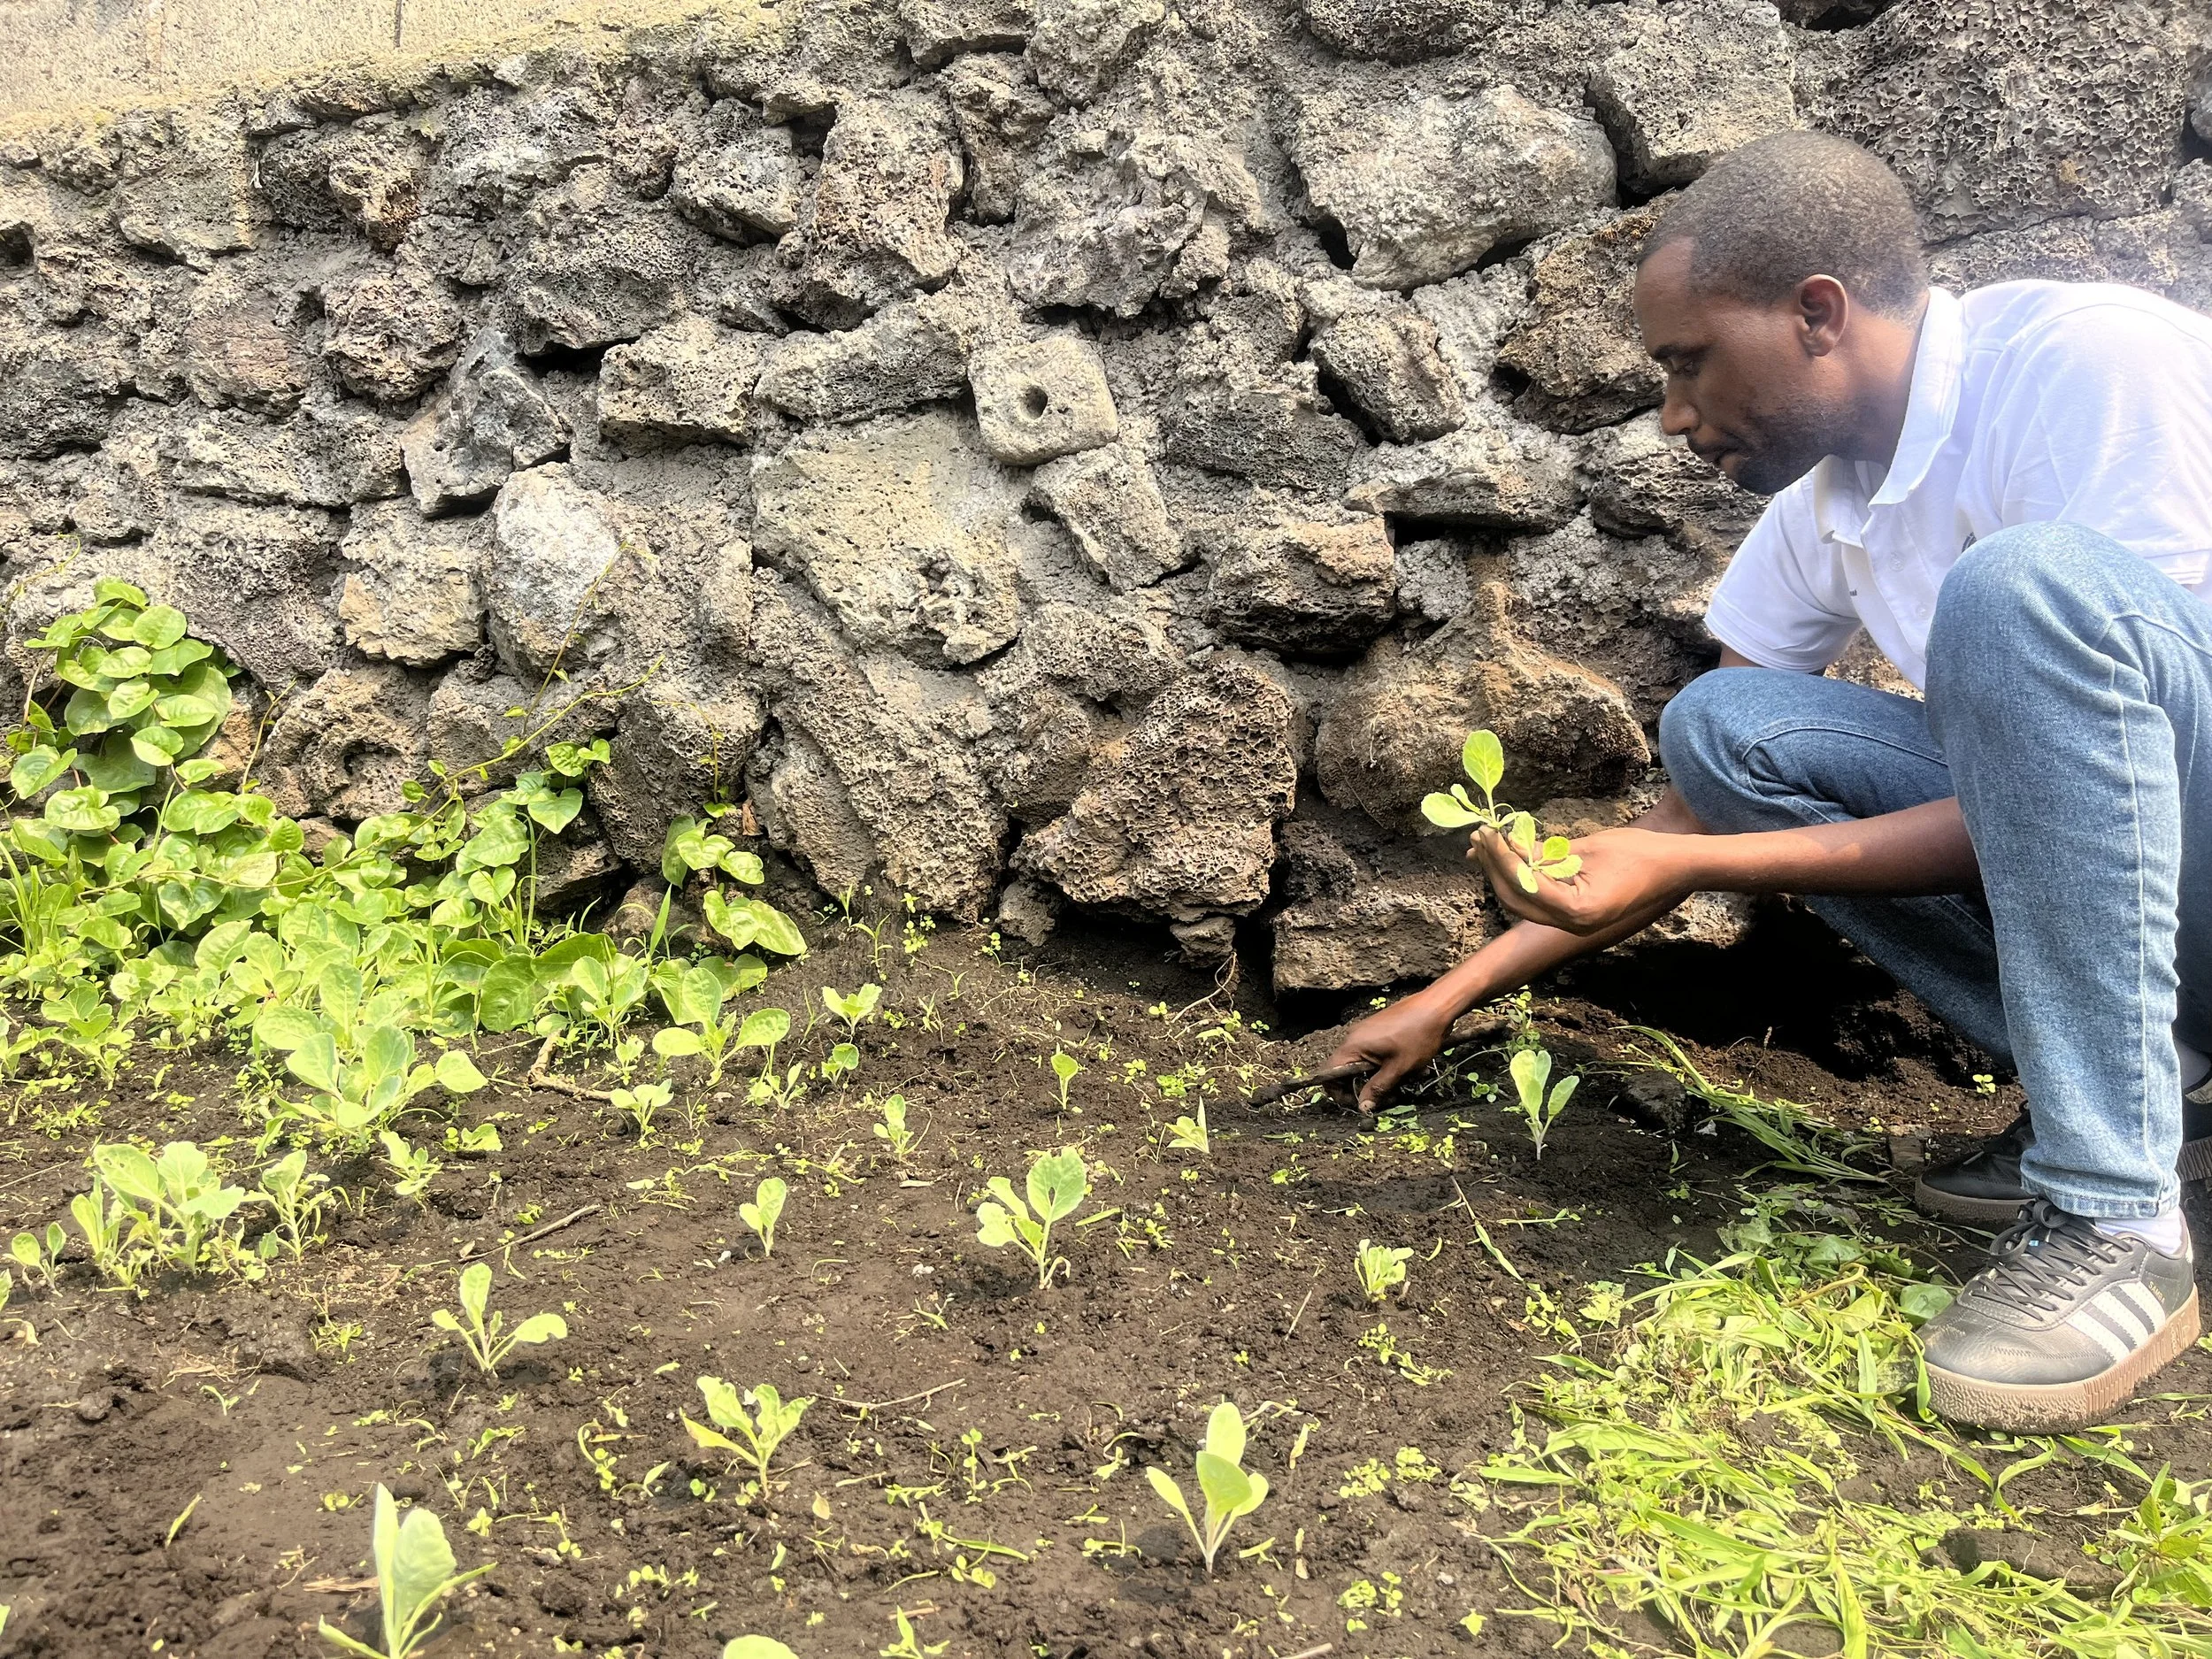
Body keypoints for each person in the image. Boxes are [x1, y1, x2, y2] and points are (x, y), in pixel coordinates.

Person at [1322, 130, 2212, 1431]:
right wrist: (1448, 997)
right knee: (1723, 723)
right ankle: (2141, 1083)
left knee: (2022, 591)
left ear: (1816, 315)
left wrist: (1695, 867)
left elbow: (2116, 796)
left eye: (1687, 364)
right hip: (2163, 897)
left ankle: (2117, 1219)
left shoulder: (2088, 368)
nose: (1675, 416)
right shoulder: (1831, 503)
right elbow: (1698, 802)